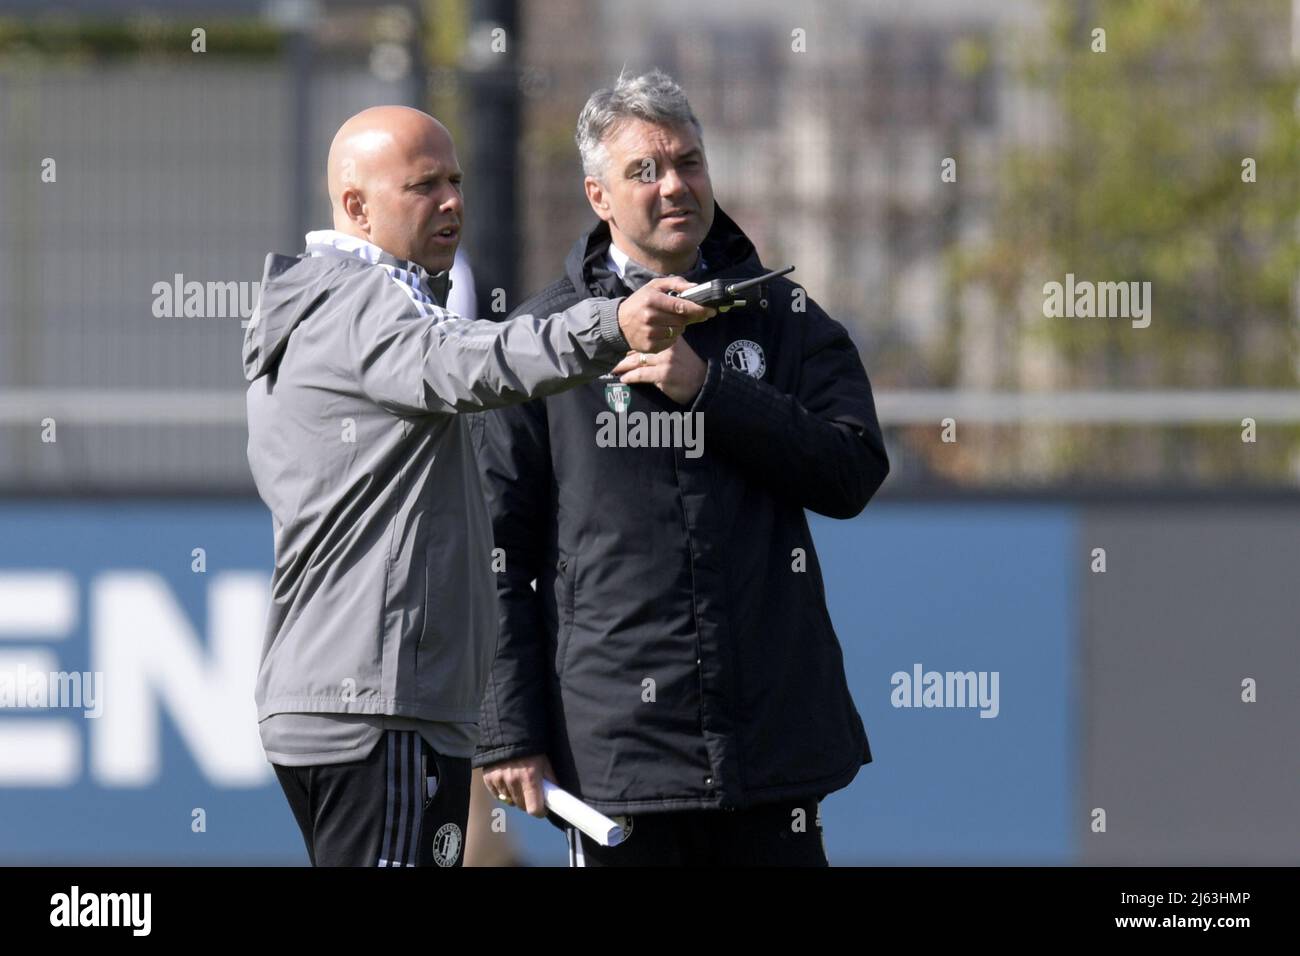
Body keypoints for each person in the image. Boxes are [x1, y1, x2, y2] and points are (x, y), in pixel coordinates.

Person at [241, 105, 714, 867]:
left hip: (329, 700)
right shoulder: (365, 303)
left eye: (456, 180)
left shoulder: (314, 310)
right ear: (357, 206)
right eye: (424, 185)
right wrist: (609, 326)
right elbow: (474, 362)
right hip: (384, 705)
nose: (453, 201)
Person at [470, 70, 891, 866]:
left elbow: (853, 471)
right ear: (598, 196)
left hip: (772, 750)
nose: (674, 186)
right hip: (621, 761)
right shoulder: (541, 342)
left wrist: (710, 390)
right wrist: (509, 731)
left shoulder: (782, 316)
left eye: (688, 163)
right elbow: (496, 552)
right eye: (645, 171)